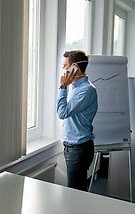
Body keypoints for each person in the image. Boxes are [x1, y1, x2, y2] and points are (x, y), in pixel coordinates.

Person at [56, 50, 98, 191]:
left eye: (65, 65)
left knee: (75, 191)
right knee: (77, 189)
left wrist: (62, 87)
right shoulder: (76, 88)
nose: (63, 69)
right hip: (74, 147)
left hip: (78, 149)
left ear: (75, 67)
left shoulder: (85, 91)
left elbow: (62, 113)